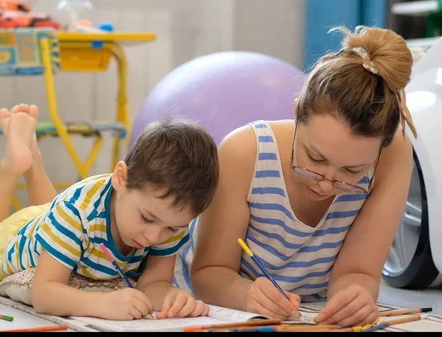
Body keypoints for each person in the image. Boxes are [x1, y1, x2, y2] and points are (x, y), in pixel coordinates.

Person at [173, 25, 417, 327]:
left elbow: (358, 273)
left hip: (305, 315)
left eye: (352, 171)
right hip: (208, 308)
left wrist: (355, 298)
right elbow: (209, 272)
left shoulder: (393, 156)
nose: (326, 183)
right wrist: (246, 293)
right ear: (297, 112)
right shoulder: (245, 152)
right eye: (315, 157)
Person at [0, 104, 220, 320]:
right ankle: (11, 168)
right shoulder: (78, 212)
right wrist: (102, 304)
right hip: (14, 241)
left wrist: (170, 298)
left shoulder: (166, 213)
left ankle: (32, 155)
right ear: (121, 178)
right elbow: (44, 295)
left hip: (56, 224)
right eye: (147, 219)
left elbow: (152, 284)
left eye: (171, 229)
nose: (154, 237)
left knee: (56, 215)